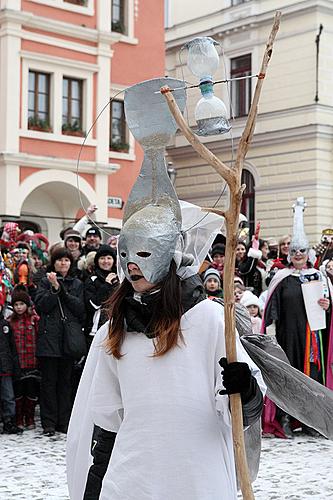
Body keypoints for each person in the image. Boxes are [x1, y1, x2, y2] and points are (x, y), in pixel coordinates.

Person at [67, 76, 264, 500]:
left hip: (197, 477)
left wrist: (244, 388)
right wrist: (93, 488)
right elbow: (105, 421)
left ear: (172, 257)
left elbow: (245, 411)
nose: (131, 266)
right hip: (133, 478)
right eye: (127, 254)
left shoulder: (211, 320)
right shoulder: (113, 329)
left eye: (146, 253)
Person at [262, 198, 332, 438]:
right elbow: (271, 309)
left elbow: (328, 305)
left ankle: (312, 421)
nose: (298, 255)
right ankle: (285, 419)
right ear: (289, 253)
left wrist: (327, 304)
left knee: (312, 378)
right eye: (294, 251)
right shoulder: (281, 278)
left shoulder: (319, 277)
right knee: (289, 377)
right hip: (287, 337)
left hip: (313, 338)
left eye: (302, 251)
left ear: (308, 252)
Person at [35, 248, 85, 436]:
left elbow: (80, 308)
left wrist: (60, 290)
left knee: (65, 383)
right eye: (59, 260)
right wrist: (53, 289)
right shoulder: (43, 281)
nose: (63, 263)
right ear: (53, 263)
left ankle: (63, 421)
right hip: (49, 339)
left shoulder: (77, 283)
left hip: (68, 340)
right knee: (48, 382)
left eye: (66, 260)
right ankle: (48, 422)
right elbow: (41, 306)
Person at [9, 287, 39, 430]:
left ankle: (30, 417)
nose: (19, 307)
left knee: (31, 391)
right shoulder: (10, 321)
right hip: (18, 363)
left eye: (21, 304)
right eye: (16, 305)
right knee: (18, 392)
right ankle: (19, 417)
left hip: (32, 361)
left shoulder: (34, 319)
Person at [84, 246, 118, 344]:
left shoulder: (120, 278)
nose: (105, 261)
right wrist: (106, 285)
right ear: (97, 261)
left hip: (116, 326)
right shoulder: (92, 279)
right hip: (96, 328)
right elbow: (92, 305)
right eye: (102, 258)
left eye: (109, 258)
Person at [0, 303, 22, 434]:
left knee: (8, 396)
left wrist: (15, 365)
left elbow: (12, 347)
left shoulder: (5, 324)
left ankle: (9, 420)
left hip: (5, 366)